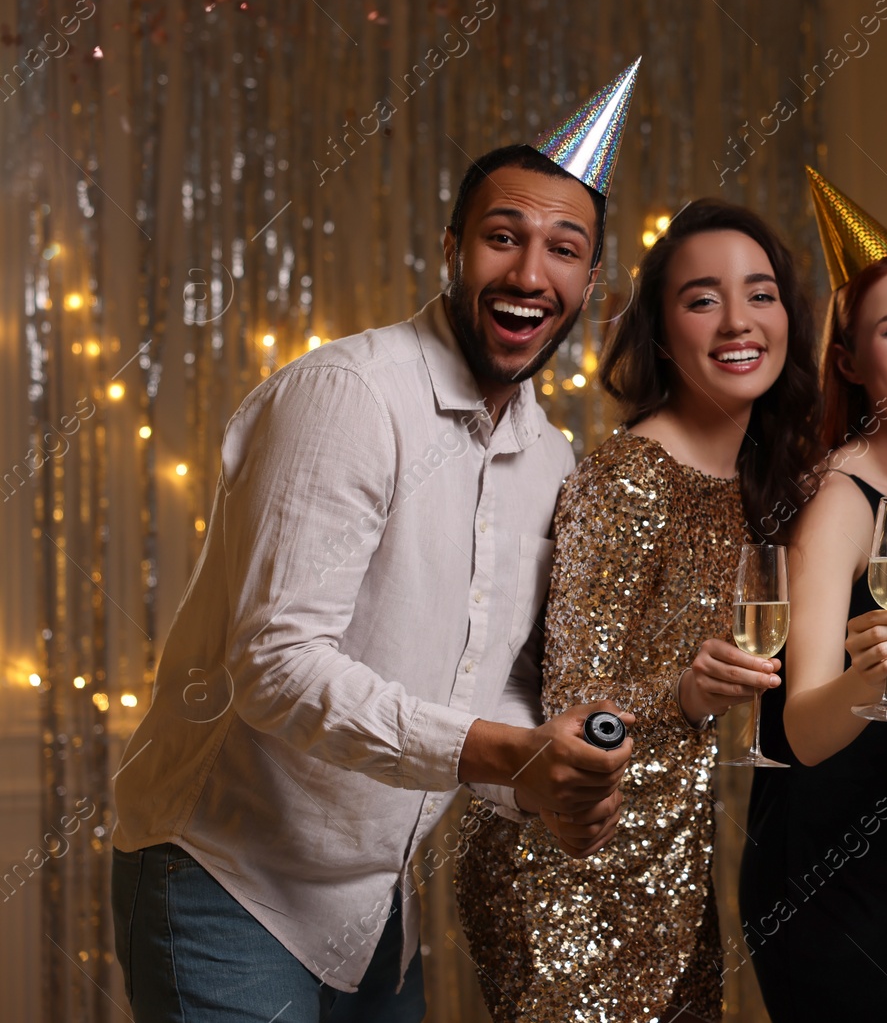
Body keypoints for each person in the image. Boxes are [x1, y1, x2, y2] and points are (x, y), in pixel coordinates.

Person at [109, 62, 643, 1023]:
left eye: (565, 250)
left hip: (374, 908)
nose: (531, 274)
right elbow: (275, 665)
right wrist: (501, 751)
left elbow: (489, 682)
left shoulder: (554, 458)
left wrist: (548, 779)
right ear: (452, 249)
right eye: (502, 237)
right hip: (228, 880)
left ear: (592, 281)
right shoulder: (350, 396)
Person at [454, 199, 820, 1022]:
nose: (738, 320)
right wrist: (684, 695)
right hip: (568, 875)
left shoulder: (762, 481)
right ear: (661, 332)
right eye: (702, 298)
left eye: (760, 294)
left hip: (672, 866)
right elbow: (573, 712)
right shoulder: (628, 476)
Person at [738, 170, 887, 1022]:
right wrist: (865, 677)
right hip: (825, 871)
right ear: (849, 358)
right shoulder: (840, 498)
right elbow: (801, 728)